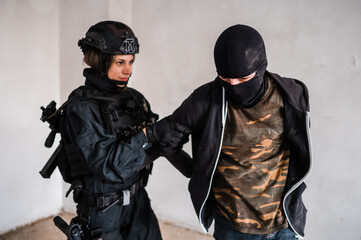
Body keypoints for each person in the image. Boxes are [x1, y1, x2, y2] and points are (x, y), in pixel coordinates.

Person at [164, 24, 312, 239]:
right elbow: (165, 138)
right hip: (231, 226)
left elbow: (300, 150)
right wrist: (195, 172)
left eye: (243, 79)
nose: (233, 85)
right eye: (225, 79)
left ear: (260, 68)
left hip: (283, 224)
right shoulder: (205, 99)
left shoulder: (291, 96)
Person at [58, 21, 191, 240]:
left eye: (131, 62)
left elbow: (159, 144)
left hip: (138, 200)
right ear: (99, 61)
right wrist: (150, 134)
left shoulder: (134, 98)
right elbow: (108, 166)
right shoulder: (80, 108)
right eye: (120, 62)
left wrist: (195, 170)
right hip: (102, 211)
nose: (128, 70)